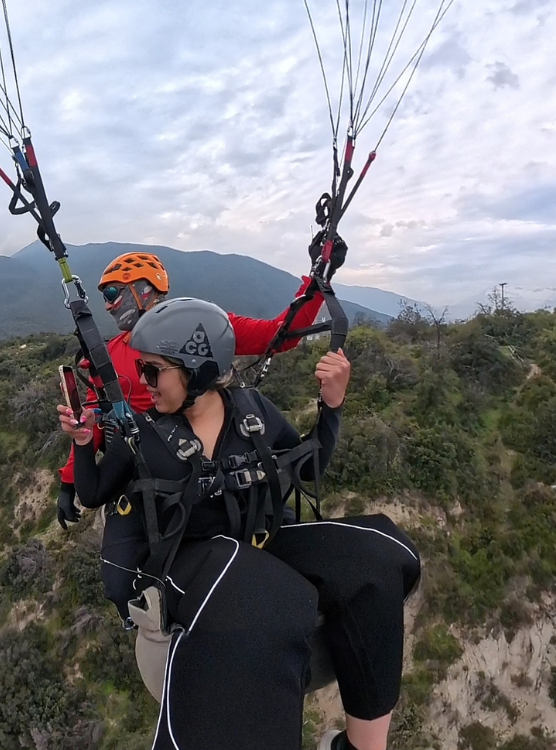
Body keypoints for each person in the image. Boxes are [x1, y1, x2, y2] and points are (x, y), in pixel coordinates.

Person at [59, 298, 420, 750]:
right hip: (184, 562)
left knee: (378, 552)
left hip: (257, 543)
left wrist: (332, 406)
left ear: (196, 371)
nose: (144, 382)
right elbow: (93, 494)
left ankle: (362, 746)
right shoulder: (143, 434)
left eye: (153, 371)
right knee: (254, 580)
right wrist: (80, 443)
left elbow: (305, 468)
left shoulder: (252, 413)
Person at [58, 238, 344, 626]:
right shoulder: (109, 355)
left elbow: (280, 334)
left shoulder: (202, 330)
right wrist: (71, 480)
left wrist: (317, 279)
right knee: (120, 578)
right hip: (148, 465)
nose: (108, 304)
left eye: (113, 292)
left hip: (217, 451)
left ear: (143, 291)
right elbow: (94, 420)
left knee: (273, 528)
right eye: (104, 296)